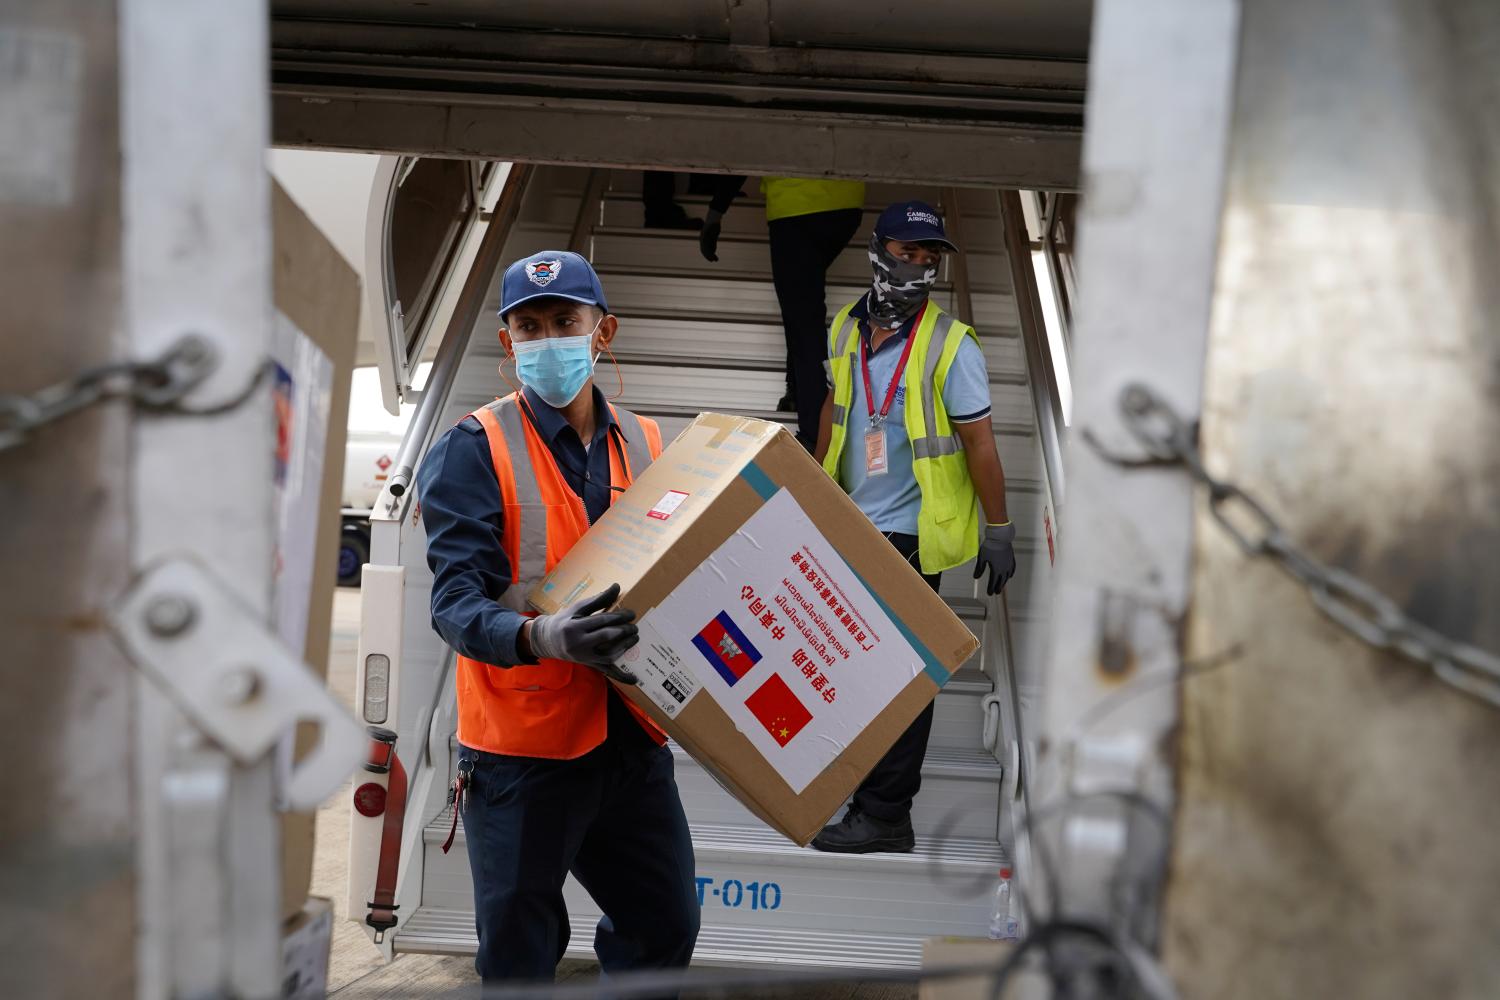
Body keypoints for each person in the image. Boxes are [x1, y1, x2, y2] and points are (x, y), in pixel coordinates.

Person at [416, 250, 700, 984]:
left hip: (629, 737)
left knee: (664, 927)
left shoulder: (650, 444)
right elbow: (454, 604)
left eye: (564, 322)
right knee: (519, 956)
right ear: (509, 346)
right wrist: (542, 635)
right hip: (523, 750)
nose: (548, 340)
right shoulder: (472, 450)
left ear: (602, 331)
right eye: (530, 326)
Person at [811, 201, 1018, 854]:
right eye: (908, 253)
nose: (919, 266)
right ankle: (862, 796)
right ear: (877, 252)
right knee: (853, 670)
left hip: (910, 533)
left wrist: (1000, 526)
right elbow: (834, 406)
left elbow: (980, 444)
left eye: (930, 258)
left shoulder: (952, 345)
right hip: (849, 521)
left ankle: (886, 814)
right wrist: (813, 485)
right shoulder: (845, 326)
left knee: (900, 677)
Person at [699, 175, 867, 450]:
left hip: (795, 208)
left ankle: (815, 432)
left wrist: (716, 211)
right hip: (846, 204)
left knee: (804, 319)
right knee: (801, 302)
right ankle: (797, 391)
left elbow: (757, 145)